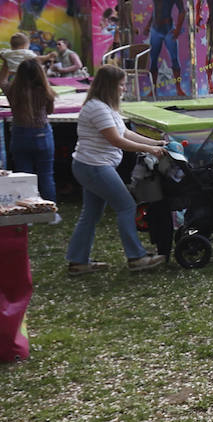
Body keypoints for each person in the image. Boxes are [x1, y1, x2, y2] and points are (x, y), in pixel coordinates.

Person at [66, 65, 168, 275]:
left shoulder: (105, 107)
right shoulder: (97, 108)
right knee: (126, 206)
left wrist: (156, 144)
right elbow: (117, 140)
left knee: (91, 214)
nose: (124, 89)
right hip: (94, 166)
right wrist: (149, 148)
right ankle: (136, 257)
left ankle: (78, 261)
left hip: (91, 166)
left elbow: (126, 134)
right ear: (110, 86)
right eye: (121, 85)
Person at [5, 58, 58, 210]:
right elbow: (49, 111)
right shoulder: (46, 91)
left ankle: (27, 211)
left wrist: (6, 63)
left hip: (20, 134)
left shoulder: (12, 91)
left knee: (23, 177)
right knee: (46, 175)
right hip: (42, 133)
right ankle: (50, 212)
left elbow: (2, 81)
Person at [145, 0, 187, 96]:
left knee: (175, 59)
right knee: (153, 59)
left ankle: (179, 88)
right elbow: (155, 10)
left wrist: (178, 29)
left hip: (168, 28)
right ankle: (153, 89)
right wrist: (148, 25)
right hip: (156, 29)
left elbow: (182, 10)